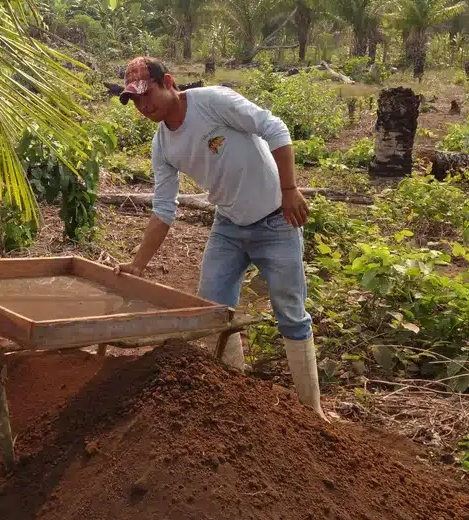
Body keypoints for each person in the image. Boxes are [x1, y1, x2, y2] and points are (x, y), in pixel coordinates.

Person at [113, 56, 324, 417]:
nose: (144, 106)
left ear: (170, 82)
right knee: (213, 308)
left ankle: (313, 410)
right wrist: (137, 264)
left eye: (148, 94)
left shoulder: (214, 102)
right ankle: (238, 398)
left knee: (290, 311)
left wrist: (289, 188)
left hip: (276, 219)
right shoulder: (163, 146)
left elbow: (275, 129)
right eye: (135, 100)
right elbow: (164, 209)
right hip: (228, 225)